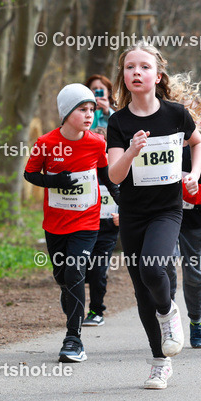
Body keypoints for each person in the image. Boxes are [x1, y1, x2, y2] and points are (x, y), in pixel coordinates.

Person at [106, 42, 201, 389]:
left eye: (144, 67)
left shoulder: (176, 114)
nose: (136, 72)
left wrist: (194, 174)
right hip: (132, 213)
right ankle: (159, 363)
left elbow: (198, 143)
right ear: (123, 76)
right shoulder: (118, 122)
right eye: (129, 67)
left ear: (158, 75)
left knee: (153, 268)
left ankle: (169, 311)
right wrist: (132, 150)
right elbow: (114, 174)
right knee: (141, 292)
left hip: (167, 210)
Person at [24, 84, 115, 362]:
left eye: (91, 110)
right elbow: (30, 174)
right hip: (55, 223)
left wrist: (124, 203)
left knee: (75, 272)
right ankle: (69, 301)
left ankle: (73, 339)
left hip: (87, 221)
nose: (89, 115)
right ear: (65, 113)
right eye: (82, 109)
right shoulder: (46, 143)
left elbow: (106, 177)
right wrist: (53, 181)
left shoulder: (97, 143)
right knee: (63, 278)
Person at [166, 73, 201, 349]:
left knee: (193, 273)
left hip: (193, 219)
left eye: (192, 117)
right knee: (165, 267)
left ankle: (196, 321)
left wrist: (191, 188)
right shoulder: (162, 147)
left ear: (199, 122)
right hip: (164, 217)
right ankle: (168, 322)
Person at [83, 115, 121, 328]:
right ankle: (71, 300)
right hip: (82, 228)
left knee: (98, 271)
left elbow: (127, 196)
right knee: (76, 270)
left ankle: (96, 311)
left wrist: (122, 215)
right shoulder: (82, 169)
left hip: (107, 230)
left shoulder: (116, 171)